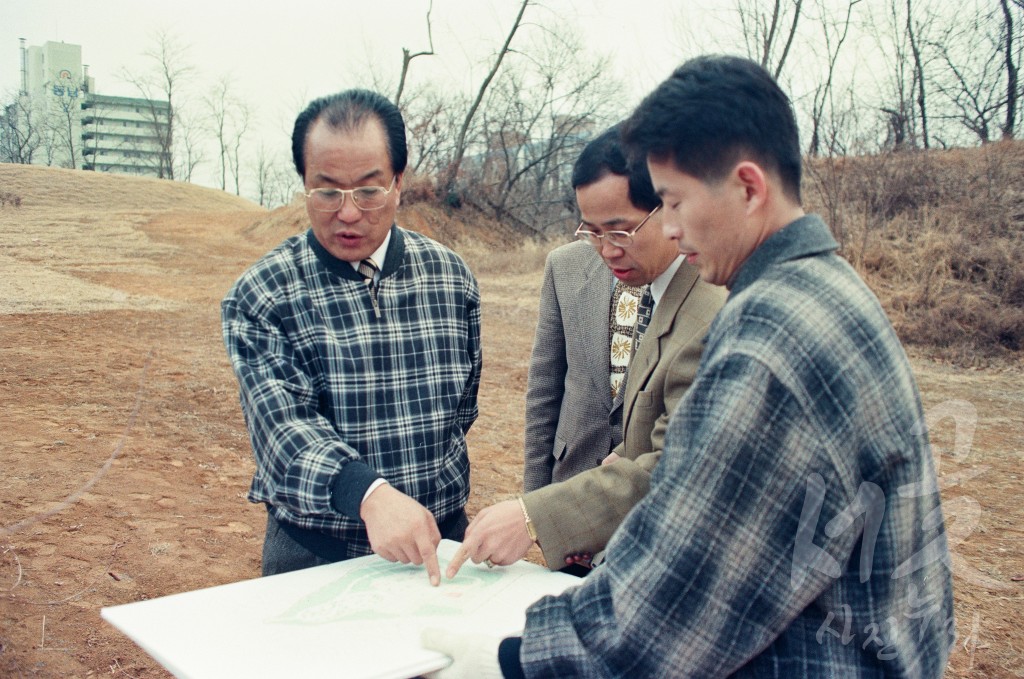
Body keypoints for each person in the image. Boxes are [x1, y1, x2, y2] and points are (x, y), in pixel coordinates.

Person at [423, 55, 954, 677]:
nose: (671, 229)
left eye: (673, 202)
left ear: (749, 188)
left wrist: (513, 657)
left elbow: (682, 594)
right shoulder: (826, 287)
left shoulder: (770, 335)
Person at [222, 89, 481, 586]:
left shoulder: (451, 277)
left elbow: (462, 408)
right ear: (303, 184)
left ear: (399, 183)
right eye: (327, 191)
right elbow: (284, 432)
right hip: (317, 557)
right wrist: (368, 494)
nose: (347, 212)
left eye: (368, 189)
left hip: (441, 547)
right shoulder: (261, 293)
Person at [448, 125, 724, 575]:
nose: (605, 250)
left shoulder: (712, 306)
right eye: (591, 232)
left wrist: (539, 517)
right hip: (576, 516)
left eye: (620, 231)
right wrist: (542, 504)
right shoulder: (571, 268)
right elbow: (545, 392)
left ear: (668, 210)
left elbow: (676, 463)